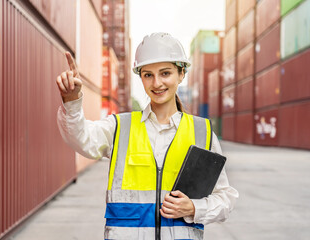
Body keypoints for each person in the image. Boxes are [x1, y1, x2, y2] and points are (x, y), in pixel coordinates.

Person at [56, 32, 238, 240]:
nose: (157, 83)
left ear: (181, 74)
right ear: (140, 77)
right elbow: (79, 138)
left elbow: (225, 199)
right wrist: (72, 101)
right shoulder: (120, 127)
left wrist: (194, 207)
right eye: (148, 75)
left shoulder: (201, 133)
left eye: (165, 73)